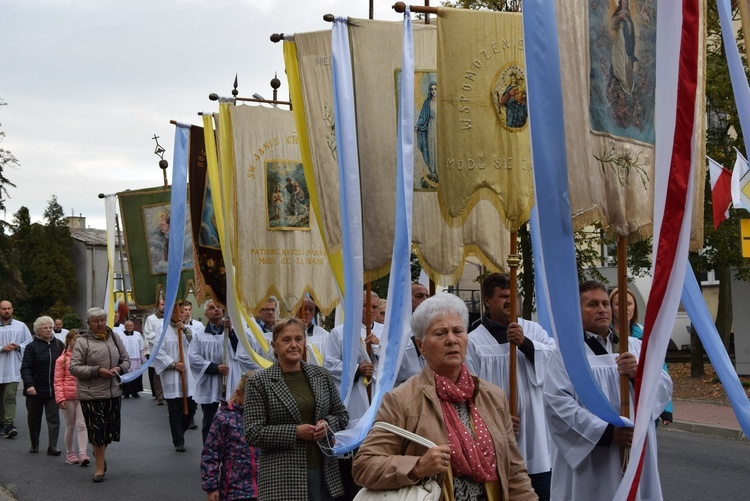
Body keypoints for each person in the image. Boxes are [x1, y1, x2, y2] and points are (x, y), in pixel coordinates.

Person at [352, 293, 537, 501]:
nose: (451, 340)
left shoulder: (493, 396)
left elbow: (513, 472)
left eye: (458, 331)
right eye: (440, 333)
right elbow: (364, 466)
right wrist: (418, 466)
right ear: (421, 346)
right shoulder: (402, 400)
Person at [543, 281, 672, 500]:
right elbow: (557, 403)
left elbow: (664, 387)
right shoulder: (566, 353)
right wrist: (606, 433)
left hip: (633, 446)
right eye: (592, 304)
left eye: (605, 303)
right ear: (577, 311)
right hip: (594, 455)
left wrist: (638, 374)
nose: (602, 309)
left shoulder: (635, 346)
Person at [465, 273, 556, 500]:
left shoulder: (532, 330)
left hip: (536, 433)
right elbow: (470, 390)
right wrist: (497, 418)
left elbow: (555, 362)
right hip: (496, 432)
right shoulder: (474, 341)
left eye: (513, 295)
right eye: (503, 296)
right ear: (487, 300)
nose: (510, 300)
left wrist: (524, 343)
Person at [244, 318, 349, 501]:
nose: (294, 345)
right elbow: (253, 433)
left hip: (323, 471)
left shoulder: (321, 375)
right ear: (274, 345)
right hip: (282, 477)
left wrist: (327, 424)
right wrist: (295, 432)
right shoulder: (259, 382)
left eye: (298, 339)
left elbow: (342, 416)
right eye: (286, 340)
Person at [69, 307, 131, 483]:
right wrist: (98, 371)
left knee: (109, 432)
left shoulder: (114, 337)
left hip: (113, 391)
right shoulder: (82, 341)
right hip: (91, 394)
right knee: (97, 431)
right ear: (89, 323)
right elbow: (74, 368)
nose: (100, 324)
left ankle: (100, 457)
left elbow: (126, 360)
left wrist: (119, 369)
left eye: (103, 320)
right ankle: (99, 467)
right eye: (96, 321)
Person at [610, 287, 673, 425]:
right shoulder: (604, 336)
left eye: (629, 303)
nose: (625, 308)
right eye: (618, 304)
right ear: (611, 308)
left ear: (635, 307)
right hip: (616, 402)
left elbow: (660, 369)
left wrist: (666, 409)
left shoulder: (646, 334)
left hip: (643, 402)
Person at [201, 371, 260, 501]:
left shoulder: (266, 417)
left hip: (266, 489)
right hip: (235, 491)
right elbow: (211, 453)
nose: (257, 403)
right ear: (239, 393)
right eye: (252, 398)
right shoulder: (224, 418)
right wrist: (211, 487)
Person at [152, 302, 197, 452]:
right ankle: (178, 440)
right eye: (176, 312)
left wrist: (184, 330)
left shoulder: (189, 330)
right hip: (172, 375)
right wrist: (173, 364)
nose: (180, 314)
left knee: (192, 407)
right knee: (175, 409)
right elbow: (158, 352)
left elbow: (197, 344)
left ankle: (180, 431)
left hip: (188, 374)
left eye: (182, 312)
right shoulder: (162, 330)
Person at [21, 316, 65, 456]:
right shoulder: (31, 347)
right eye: (45, 328)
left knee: (54, 419)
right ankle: (35, 444)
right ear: (37, 331)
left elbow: (65, 364)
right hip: (35, 390)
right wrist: (29, 385)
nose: (48, 330)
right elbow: (26, 368)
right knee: (34, 419)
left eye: (50, 327)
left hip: (53, 390)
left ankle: (52, 446)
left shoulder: (59, 344)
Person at [189, 299, 230, 443]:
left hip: (229, 381)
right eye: (212, 308)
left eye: (219, 307)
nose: (216, 310)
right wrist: (214, 368)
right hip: (209, 384)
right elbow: (193, 357)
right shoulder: (199, 335)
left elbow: (241, 352)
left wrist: (232, 332)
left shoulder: (231, 330)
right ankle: (208, 453)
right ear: (206, 313)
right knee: (210, 421)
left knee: (230, 421)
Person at [54, 329, 91, 466]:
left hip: (82, 396)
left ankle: (82, 453)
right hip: (68, 397)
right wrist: (60, 398)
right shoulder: (62, 360)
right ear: (69, 341)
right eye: (75, 340)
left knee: (82, 425)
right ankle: (70, 453)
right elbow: (57, 380)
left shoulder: (86, 358)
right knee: (70, 426)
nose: (78, 342)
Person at [0, 300, 32, 439]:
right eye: (3, 309)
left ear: (12, 310)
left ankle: (9, 424)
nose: (6, 311)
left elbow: (29, 343)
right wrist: (2, 348)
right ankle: (1, 423)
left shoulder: (21, 326)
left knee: (10, 395)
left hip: (13, 367)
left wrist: (18, 346)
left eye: (8, 308)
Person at [394, 283, 430, 387]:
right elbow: (400, 367)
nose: (425, 300)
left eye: (427, 296)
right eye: (419, 296)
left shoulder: (430, 324)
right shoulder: (396, 327)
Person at [143, 298, 166, 405]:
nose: (164, 306)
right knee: (158, 373)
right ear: (157, 305)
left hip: (167, 349)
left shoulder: (169, 318)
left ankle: (167, 394)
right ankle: (159, 395)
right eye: (162, 304)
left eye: (165, 304)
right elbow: (148, 333)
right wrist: (160, 339)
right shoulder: (151, 319)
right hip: (156, 349)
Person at [416, 81, 438, 184]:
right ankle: (433, 172)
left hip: (439, 128)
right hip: (431, 127)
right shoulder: (427, 103)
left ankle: (439, 171)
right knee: (431, 148)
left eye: (435, 89)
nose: (434, 91)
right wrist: (418, 124)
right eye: (432, 89)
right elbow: (423, 116)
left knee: (439, 148)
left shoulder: (441, 102)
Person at [117, 320, 146, 399]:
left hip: (136, 358)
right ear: (125, 327)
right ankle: (126, 392)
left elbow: (141, 346)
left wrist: (143, 358)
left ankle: (135, 392)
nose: (129, 327)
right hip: (125, 358)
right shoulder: (120, 335)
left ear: (133, 326)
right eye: (127, 326)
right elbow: (118, 347)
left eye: (131, 325)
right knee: (126, 375)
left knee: (136, 376)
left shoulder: (138, 334)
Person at [301, 297, 329, 367]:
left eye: (311, 310)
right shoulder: (287, 332)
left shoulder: (325, 336)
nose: (307, 312)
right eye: (304, 309)